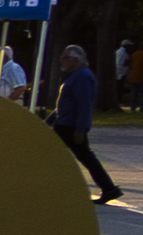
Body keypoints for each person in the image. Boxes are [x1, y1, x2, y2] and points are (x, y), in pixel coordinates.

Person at [46, 45, 120, 203]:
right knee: (85, 157)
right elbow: (64, 106)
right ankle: (109, 189)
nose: (61, 61)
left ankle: (108, 188)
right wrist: (48, 121)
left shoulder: (82, 77)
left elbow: (84, 105)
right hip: (64, 123)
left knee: (55, 155)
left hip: (70, 126)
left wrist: (80, 130)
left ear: (75, 59)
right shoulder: (75, 76)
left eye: (64, 58)